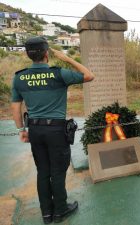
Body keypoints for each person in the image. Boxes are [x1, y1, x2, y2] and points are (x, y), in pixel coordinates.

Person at [11, 36, 95, 224]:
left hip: (34, 129)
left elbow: (15, 107)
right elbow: (89, 75)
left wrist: (21, 129)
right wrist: (67, 59)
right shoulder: (58, 73)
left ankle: (46, 214)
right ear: (46, 54)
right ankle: (61, 210)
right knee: (57, 171)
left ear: (28, 54)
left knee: (43, 171)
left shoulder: (19, 77)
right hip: (56, 131)